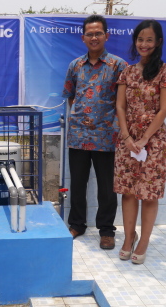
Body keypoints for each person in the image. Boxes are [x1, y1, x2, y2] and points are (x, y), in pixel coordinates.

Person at [62, 15, 128, 249]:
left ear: (106, 36)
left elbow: (125, 101)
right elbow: (71, 95)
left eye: (98, 33)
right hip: (78, 136)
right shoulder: (75, 65)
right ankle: (77, 224)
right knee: (78, 184)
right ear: (83, 38)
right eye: (89, 34)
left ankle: (107, 230)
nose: (94, 37)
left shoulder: (119, 66)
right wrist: (83, 117)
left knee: (107, 187)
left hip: (107, 137)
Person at [114, 19, 166, 264]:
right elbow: (119, 105)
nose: (144, 44)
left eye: (149, 39)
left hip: (154, 142)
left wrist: (145, 138)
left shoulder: (165, 71)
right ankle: (128, 238)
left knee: (148, 194)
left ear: (158, 42)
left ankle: (144, 241)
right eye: (140, 39)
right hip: (126, 141)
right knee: (128, 193)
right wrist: (128, 137)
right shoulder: (127, 71)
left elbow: (164, 110)